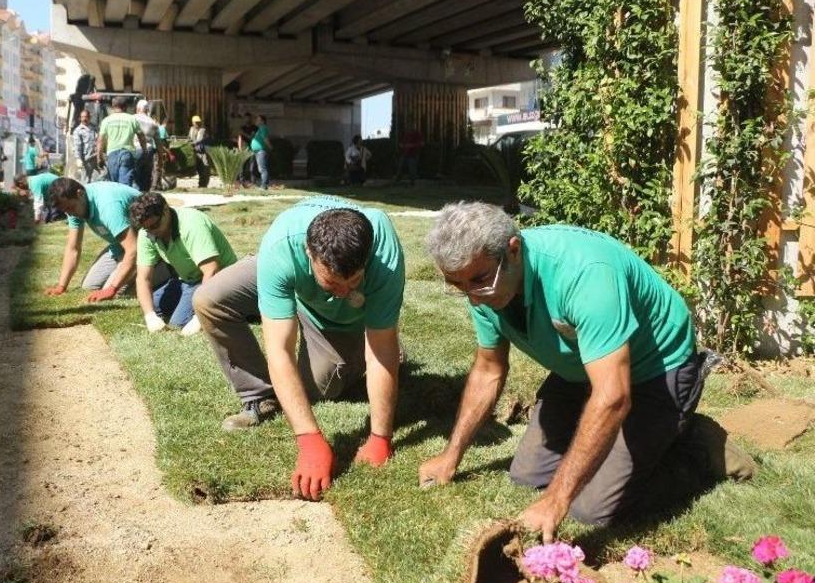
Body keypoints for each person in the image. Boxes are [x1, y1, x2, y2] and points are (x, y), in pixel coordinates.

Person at [418, 202, 753, 540]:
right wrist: (451, 456)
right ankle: (626, 440)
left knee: (591, 510)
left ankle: (697, 449)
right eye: (458, 285)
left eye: (479, 281)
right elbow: (489, 370)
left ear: (514, 250)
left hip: (654, 369)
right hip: (582, 367)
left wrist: (555, 500)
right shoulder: (483, 284)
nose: (473, 298)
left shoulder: (584, 272)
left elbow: (613, 397)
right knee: (527, 474)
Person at [193, 197, 406, 501]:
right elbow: (279, 349)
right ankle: (260, 396)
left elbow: (381, 352)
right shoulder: (281, 248)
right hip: (292, 279)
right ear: (309, 253)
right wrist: (308, 439)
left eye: (354, 281)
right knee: (209, 299)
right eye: (333, 283)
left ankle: (366, 339)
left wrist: (380, 436)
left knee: (320, 386)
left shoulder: (383, 252)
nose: (345, 291)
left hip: (342, 321)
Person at [129, 192, 238, 336]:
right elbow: (143, 278)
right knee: (152, 307)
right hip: (186, 280)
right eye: (147, 229)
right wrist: (150, 316)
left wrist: (200, 317)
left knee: (177, 324)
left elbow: (212, 270)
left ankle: (222, 308)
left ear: (166, 210)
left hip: (219, 279)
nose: (152, 232)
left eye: (155, 225)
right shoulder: (148, 233)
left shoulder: (192, 224)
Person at [42, 178, 167, 299]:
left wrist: (112, 288)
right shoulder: (75, 205)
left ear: (79, 194)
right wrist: (61, 286)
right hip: (121, 245)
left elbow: (133, 250)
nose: (70, 214)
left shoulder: (108, 207)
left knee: (117, 293)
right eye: (66, 211)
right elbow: (73, 248)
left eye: (70, 208)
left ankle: (165, 269)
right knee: (89, 287)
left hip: (151, 243)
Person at [97, 95, 147, 188]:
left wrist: (99, 157)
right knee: (125, 185)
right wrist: (144, 151)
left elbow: (100, 140)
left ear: (113, 106)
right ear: (125, 106)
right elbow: (141, 137)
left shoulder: (106, 120)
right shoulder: (132, 119)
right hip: (127, 154)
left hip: (112, 154)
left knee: (114, 185)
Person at [134, 99, 160, 192]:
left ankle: (135, 198)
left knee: (134, 177)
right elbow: (158, 142)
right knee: (146, 177)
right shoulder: (153, 123)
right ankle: (144, 197)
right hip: (149, 151)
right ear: (147, 110)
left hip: (135, 149)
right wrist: (160, 157)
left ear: (137, 109)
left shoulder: (133, 118)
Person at [72, 109, 98, 183]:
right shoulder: (78, 130)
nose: (84, 119)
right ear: (80, 118)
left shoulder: (94, 128)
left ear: (89, 117)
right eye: (82, 117)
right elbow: (77, 146)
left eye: (86, 117)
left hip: (96, 157)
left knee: (97, 179)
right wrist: (78, 158)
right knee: (85, 179)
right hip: (86, 159)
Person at [250, 114, 273, 190]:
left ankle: (264, 185)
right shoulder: (260, 129)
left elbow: (265, 139)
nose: (256, 121)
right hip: (257, 151)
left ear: (262, 121)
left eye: (258, 119)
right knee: (260, 168)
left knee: (262, 168)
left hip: (261, 151)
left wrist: (270, 147)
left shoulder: (263, 128)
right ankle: (263, 184)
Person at [189, 115, 210, 188]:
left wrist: (192, 143)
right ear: (193, 123)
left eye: (198, 122)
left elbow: (199, 139)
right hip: (194, 151)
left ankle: (203, 184)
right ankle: (201, 184)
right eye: (196, 122)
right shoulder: (191, 129)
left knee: (205, 167)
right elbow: (190, 138)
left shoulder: (202, 130)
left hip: (202, 152)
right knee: (196, 167)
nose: (197, 124)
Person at [237, 112, 258, 186]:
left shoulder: (255, 128)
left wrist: (243, 133)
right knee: (242, 165)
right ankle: (241, 180)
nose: (247, 120)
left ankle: (253, 181)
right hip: (244, 148)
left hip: (252, 148)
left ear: (251, 119)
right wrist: (239, 148)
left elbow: (252, 138)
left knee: (252, 166)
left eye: (248, 118)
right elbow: (240, 138)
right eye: (246, 118)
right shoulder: (242, 127)